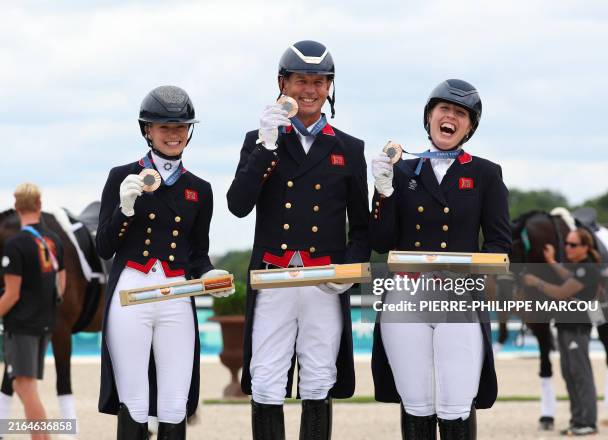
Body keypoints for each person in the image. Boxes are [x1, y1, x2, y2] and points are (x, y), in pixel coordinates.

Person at [227, 40, 370, 439]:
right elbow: (238, 205)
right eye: (301, 81)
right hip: (274, 275)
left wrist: (350, 270)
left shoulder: (349, 148)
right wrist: (266, 146)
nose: (310, 90)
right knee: (267, 377)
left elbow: (362, 227)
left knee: (319, 376)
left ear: (329, 87)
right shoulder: (260, 140)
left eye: (319, 82)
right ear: (282, 84)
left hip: (324, 280)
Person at [370, 79, 511, 439]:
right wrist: (383, 194)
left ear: (470, 126)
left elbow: (498, 243)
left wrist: (468, 272)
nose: (450, 116)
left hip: (458, 296)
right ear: (429, 116)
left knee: (455, 403)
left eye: (460, 113)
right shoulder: (400, 171)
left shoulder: (485, 174)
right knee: (416, 401)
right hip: (406, 296)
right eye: (444, 109)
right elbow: (382, 241)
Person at [96, 85, 233, 440]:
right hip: (131, 294)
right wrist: (124, 210)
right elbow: (104, 247)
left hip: (176, 297)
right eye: (164, 127)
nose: (173, 135)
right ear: (147, 130)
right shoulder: (121, 176)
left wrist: (209, 275)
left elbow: (198, 252)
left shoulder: (200, 189)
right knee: (135, 399)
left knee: (175, 401)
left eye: (180, 127)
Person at [0, 183, 66, 440]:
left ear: (17, 209)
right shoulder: (54, 241)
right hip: (45, 324)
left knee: (26, 389)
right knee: (20, 384)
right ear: (39, 205)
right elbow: (61, 286)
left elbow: (11, 294)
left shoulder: (16, 244)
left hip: (22, 326)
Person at [523, 227, 601, 436]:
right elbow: (567, 275)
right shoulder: (578, 268)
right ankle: (578, 420)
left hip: (577, 328)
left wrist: (536, 282)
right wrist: (551, 262)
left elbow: (561, 292)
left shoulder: (587, 269)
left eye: (573, 244)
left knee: (581, 375)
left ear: (585, 247)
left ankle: (589, 422)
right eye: (566, 243)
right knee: (569, 374)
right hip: (565, 327)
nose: (567, 248)